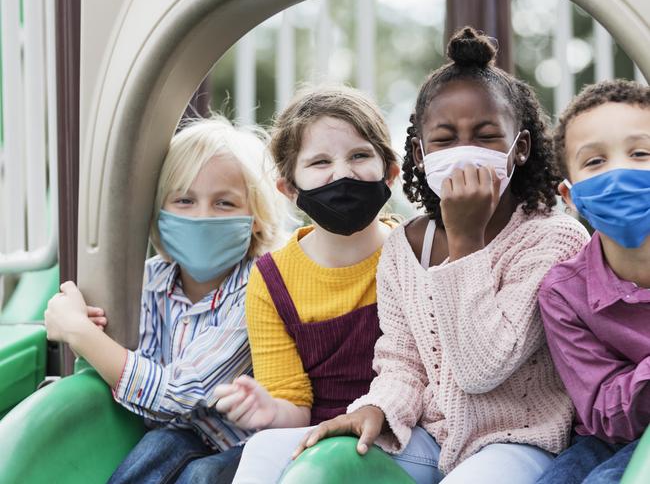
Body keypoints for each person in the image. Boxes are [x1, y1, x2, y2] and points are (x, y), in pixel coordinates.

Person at [293, 27, 590, 484]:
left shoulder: (555, 240)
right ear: (420, 152)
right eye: (445, 139)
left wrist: (466, 240)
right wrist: (377, 407)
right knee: (299, 459)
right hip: (430, 438)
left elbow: (482, 368)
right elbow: (402, 362)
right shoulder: (404, 247)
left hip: (518, 443)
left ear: (521, 148)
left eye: (486, 136)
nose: (465, 152)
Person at [213, 85, 444, 483]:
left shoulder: (419, 251)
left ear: (390, 173)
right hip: (317, 435)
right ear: (289, 188)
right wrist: (269, 409)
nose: (342, 174)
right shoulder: (272, 280)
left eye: (359, 156)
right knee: (262, 449)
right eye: (320, 162)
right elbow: (294, 408)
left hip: (407, 433)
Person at [44, 116, 285, 484]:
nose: (202, 216)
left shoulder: (259, 287)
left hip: (244, 445)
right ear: (160, 212)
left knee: (199, 474)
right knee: (158, 446)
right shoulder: (151, 281)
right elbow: (150, 402)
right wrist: (86, 324)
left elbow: (179, 393)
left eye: (224, 203)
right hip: (176, 436)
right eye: (185, 200)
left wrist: (80, 334)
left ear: (255, 218)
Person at [535, 79, 650, 484]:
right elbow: (604, 414)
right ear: (569, 195)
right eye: (595, 162)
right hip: (612, 438)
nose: (619, 170)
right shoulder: (564, 292)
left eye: (640, 153)